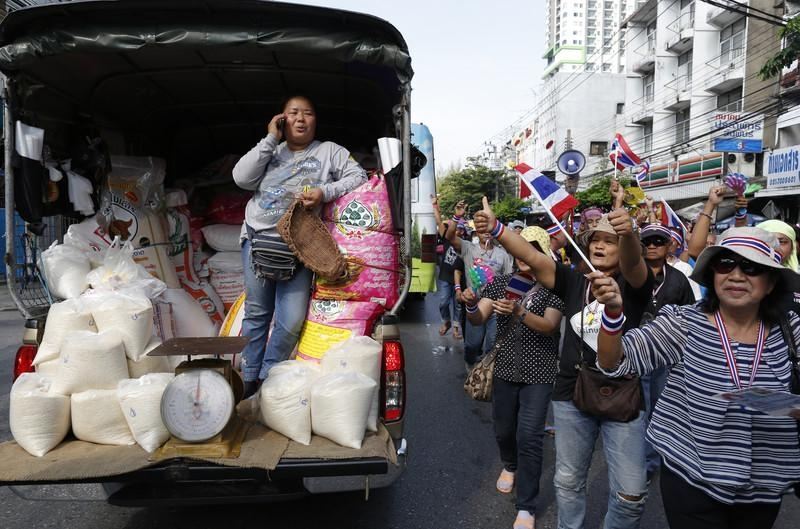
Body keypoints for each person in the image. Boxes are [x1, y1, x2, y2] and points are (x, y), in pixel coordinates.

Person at [589, 226, 800, 529]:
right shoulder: (684, 322)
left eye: (751, 267)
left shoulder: (790, 328)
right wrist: (612, 313)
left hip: (762, 486)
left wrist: (771, 403)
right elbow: (614, 362)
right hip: (691, 477)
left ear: (770, 283)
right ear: (713, 275)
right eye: (725, 264)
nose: (736, 275)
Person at [473, 196, 653, 529]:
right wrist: (497, 227)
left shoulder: (635, 286)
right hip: (572, 392)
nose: (600, 246)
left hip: (624, 395)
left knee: (631, 494)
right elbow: (529, 254)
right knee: (568, 482)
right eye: (595, 240)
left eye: (609, 241)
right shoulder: (572, 280)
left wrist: (627, 234)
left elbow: (635, 266)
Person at [233, 95, 367, 397]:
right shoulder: (270, 151)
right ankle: (249, 379)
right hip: (257, 241)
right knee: (256, 314)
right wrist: (270, 137)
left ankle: (268, 375)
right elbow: (240, 178)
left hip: (300, 247)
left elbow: (359, 176)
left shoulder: (329, 151)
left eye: (308, 113)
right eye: (293, 113)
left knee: (291, 320)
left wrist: (324, 191)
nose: (301, 119)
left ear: (315, 120)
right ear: (282, 119)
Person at [462, 226, 564, 529]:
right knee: (505, 430)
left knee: (530, 436)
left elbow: (549, 326)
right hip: (504, 369)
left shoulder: (553, 287)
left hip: (540, 373)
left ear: (541, 252)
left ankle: (527, 506)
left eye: (530, 247)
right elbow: (479, 316)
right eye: (519, 246)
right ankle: (510, 464)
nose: (522, 252)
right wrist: (469, 303)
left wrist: (519, 311)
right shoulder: (502, 283)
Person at [638, 223, 696, 480]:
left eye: (658, 241)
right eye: (647, 241)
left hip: (665, 358)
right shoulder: (628, 276)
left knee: (659, 409)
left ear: (669, 245)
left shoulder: (679, 279)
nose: (652, 246)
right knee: (636, 410)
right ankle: (635, 460)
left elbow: (690, 316)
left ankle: (652, 463)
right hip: (633, 354)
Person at [446, 200, 513, 368]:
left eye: (488, 230)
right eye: (482, 230)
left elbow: (509, 280)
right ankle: (470, 363)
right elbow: (449, 237)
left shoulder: (502, 255)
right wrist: (457, 217)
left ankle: (485, 374)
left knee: (491, 345)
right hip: (474, 306)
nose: (486, 233)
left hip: (495, 307)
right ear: (477, 232)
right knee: (472, 345)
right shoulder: (469, 248)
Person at [432, 194, 465, 338]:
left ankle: (456, 328)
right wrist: (435, 205)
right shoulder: (446, 237)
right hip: (445, 277)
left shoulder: (467, 245)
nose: (457, 231)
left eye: (460, 230)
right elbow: (439, 221)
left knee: (458, 305)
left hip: (461, 279)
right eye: (456, 229)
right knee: (443, 303)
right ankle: (446, 321)